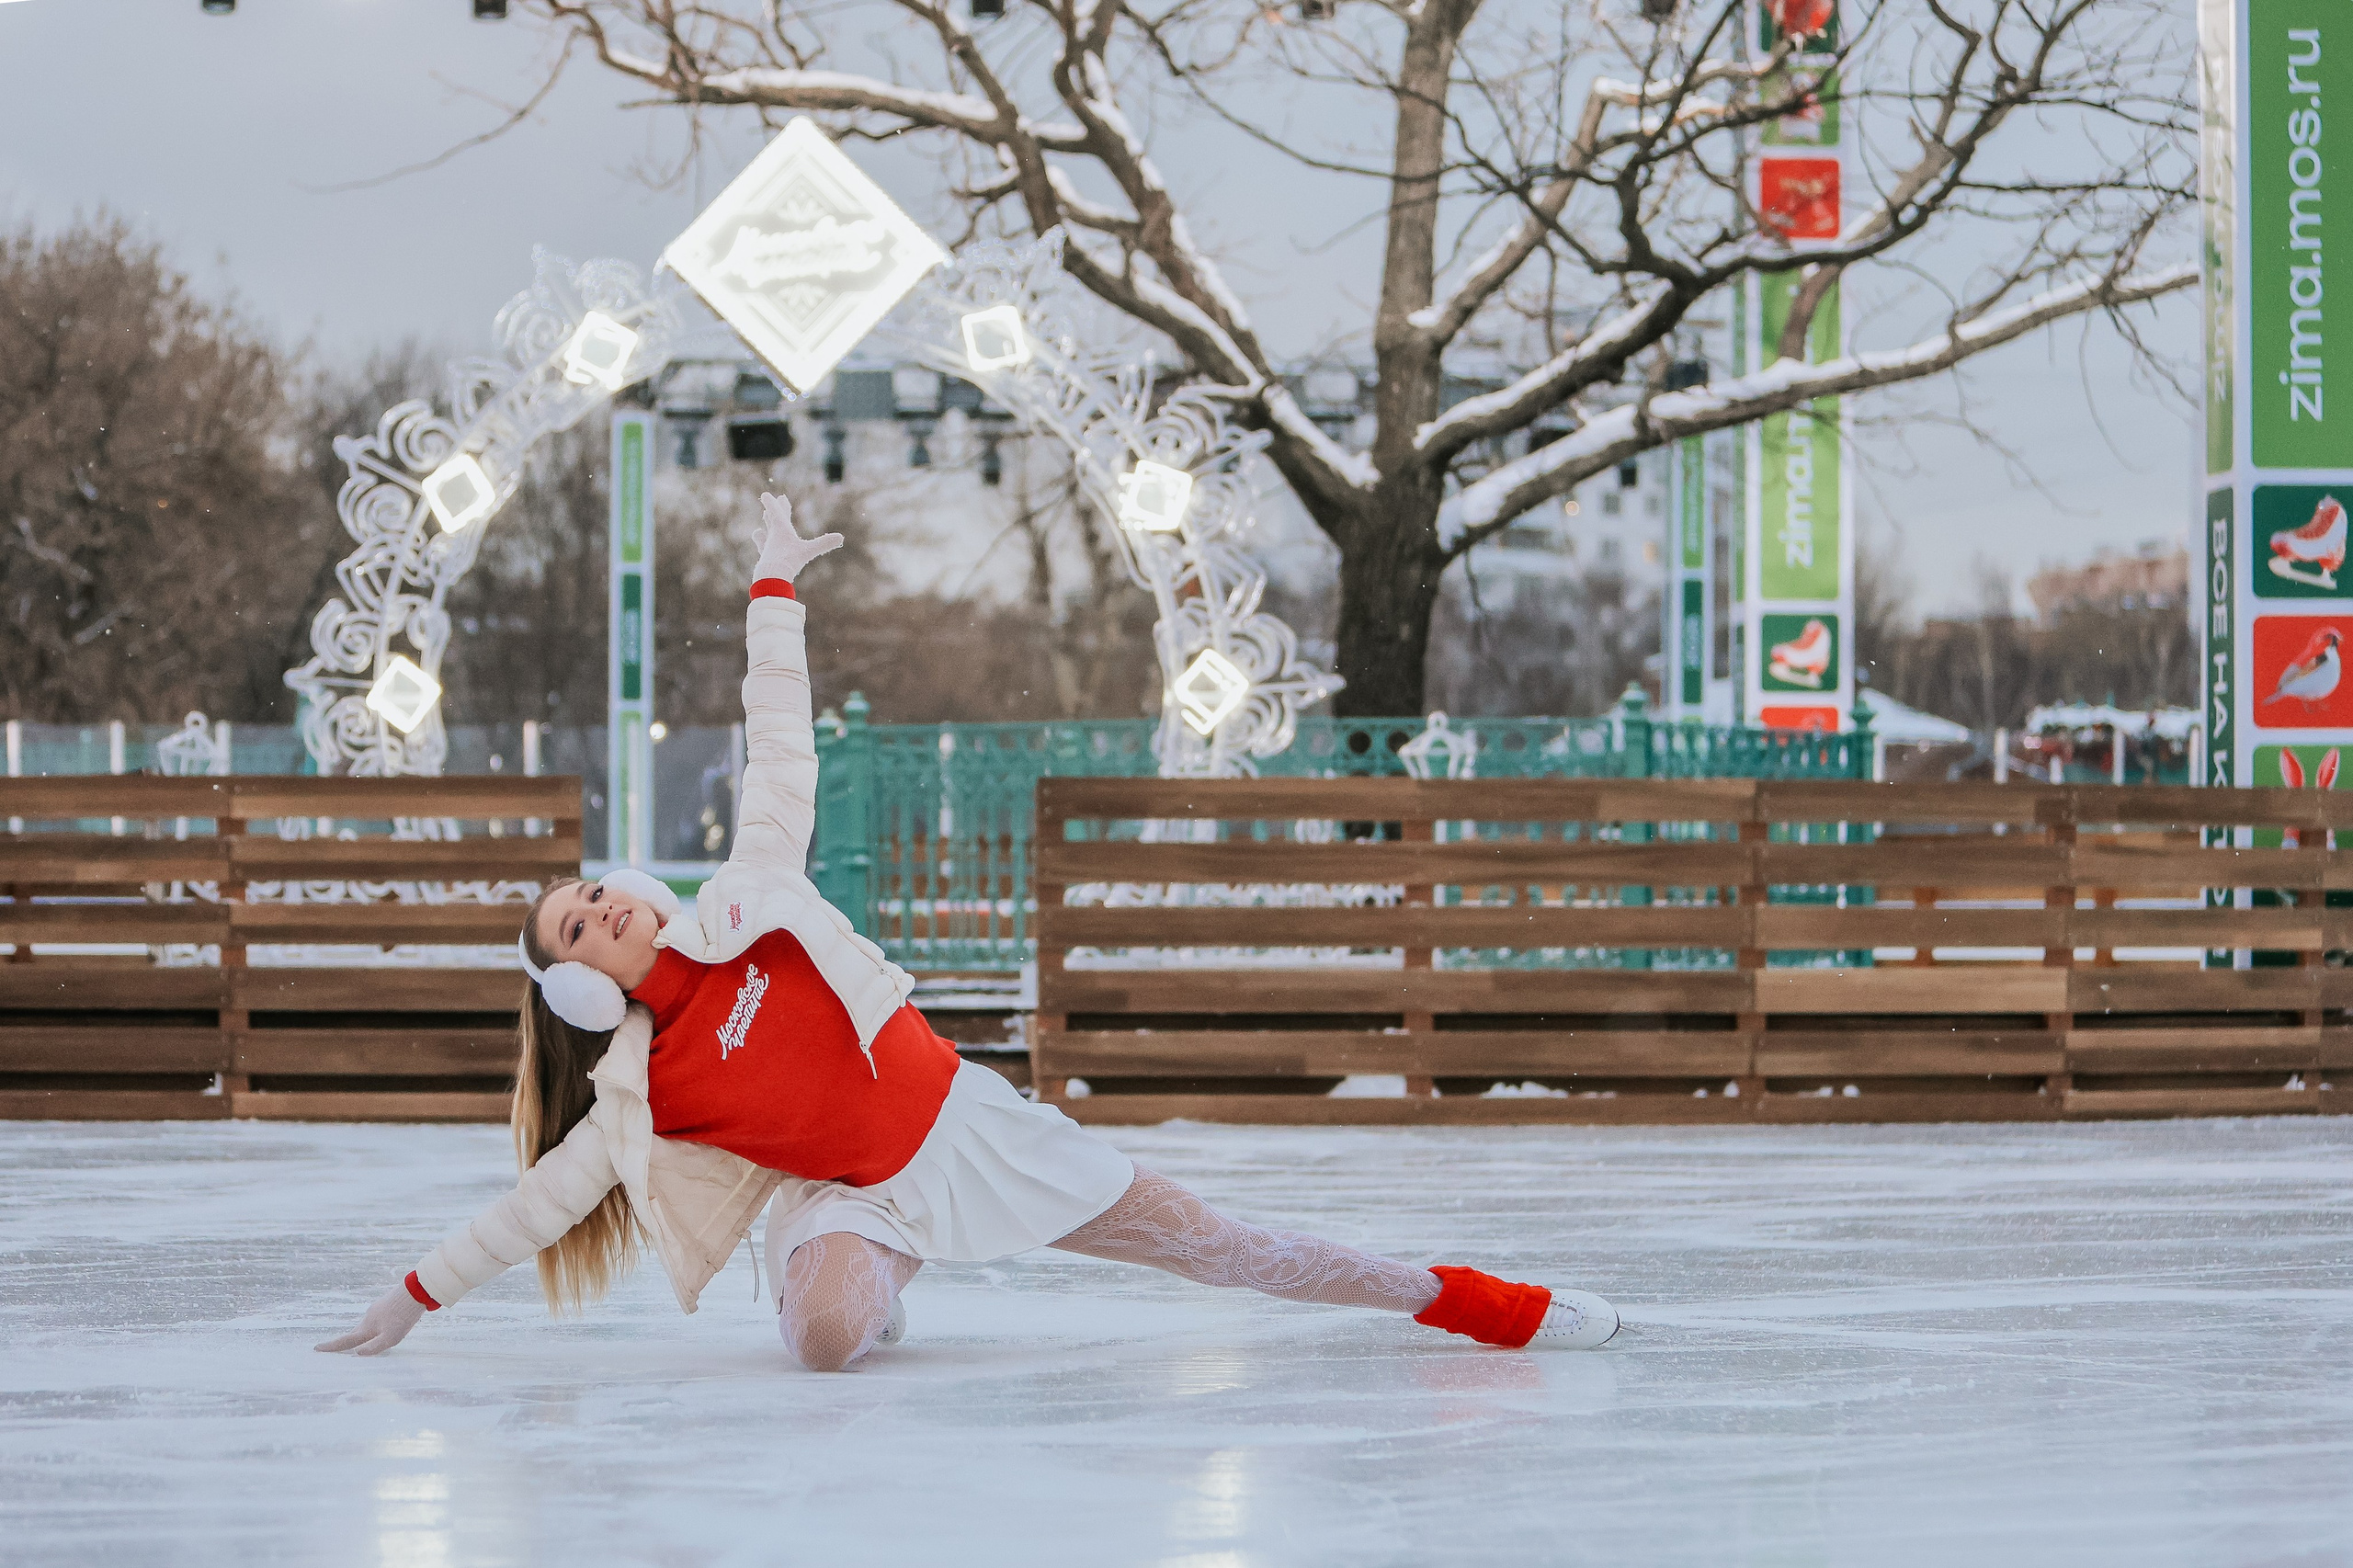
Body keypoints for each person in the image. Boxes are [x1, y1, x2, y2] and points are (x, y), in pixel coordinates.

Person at [319, 494, 1620, 1370]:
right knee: (825, 1340)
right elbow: (536, 1205)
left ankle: (1488, 1303)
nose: (600, 909)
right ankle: (878, 1276)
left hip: (970, 1127)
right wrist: (409, 1299)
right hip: (849, 1197)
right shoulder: (636, 1095)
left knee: (1222, 1250)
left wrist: (773, 589)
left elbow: (780, 738)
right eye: (576, 930)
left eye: (592, 892)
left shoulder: (746, 893)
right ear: (582, 991)